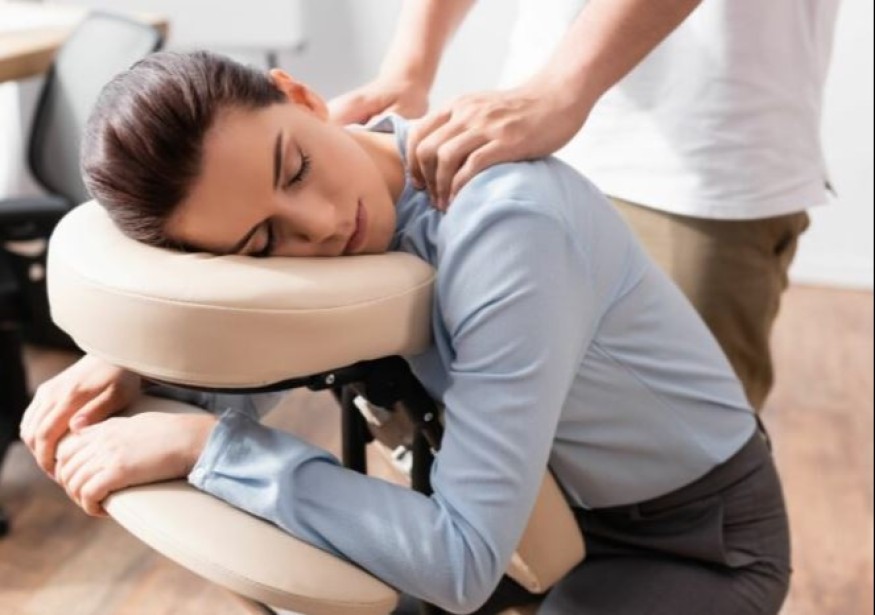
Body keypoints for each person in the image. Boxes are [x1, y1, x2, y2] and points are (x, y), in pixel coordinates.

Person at [21, 51, 791, 614]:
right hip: (541, 513)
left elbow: (461, 560)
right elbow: (270, 345)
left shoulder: (503, 228)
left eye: (295, 168)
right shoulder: (343, 224)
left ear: (302, 96)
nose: (322, 225)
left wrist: (208, 447)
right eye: (261, 243)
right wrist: (140, 359)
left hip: (694, 542)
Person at [329, 0, 842, 410]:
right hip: (521, 137)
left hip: (698, 155)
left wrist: (560, 92)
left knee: (668, 459)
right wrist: (410, 67)